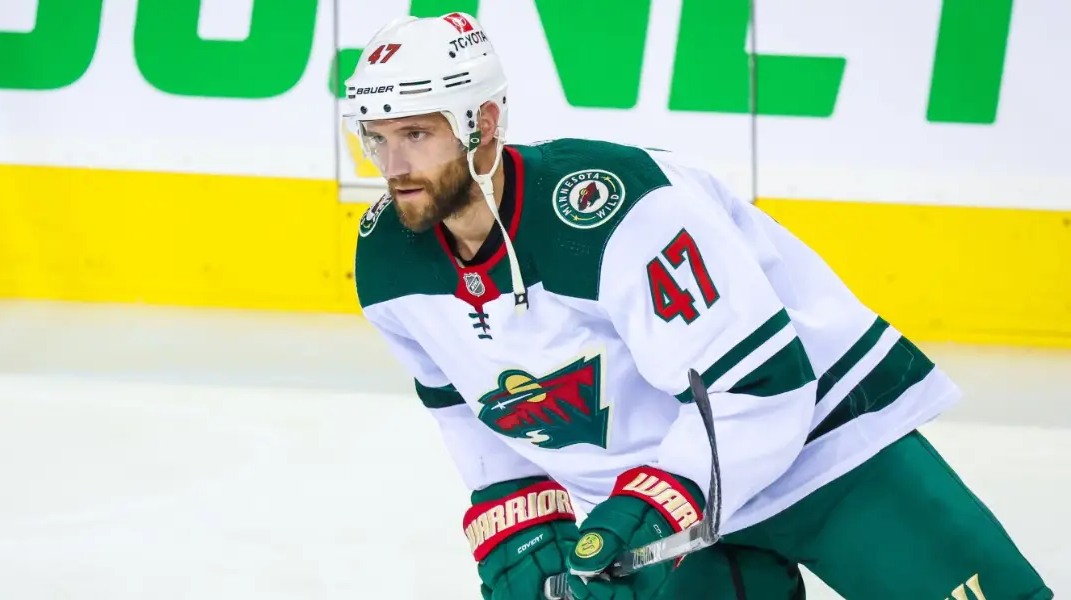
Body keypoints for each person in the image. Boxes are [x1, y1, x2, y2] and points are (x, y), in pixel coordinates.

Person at [343, 12, 1052, 600]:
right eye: (377, 138)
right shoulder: (387, 263)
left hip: (825, 452)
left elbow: (761, 387)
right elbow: (468, 411)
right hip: (655, 511)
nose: (393, 164)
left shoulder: (612, 210)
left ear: (484, 121)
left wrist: (646, 508)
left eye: (417, 134)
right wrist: (515, 517)